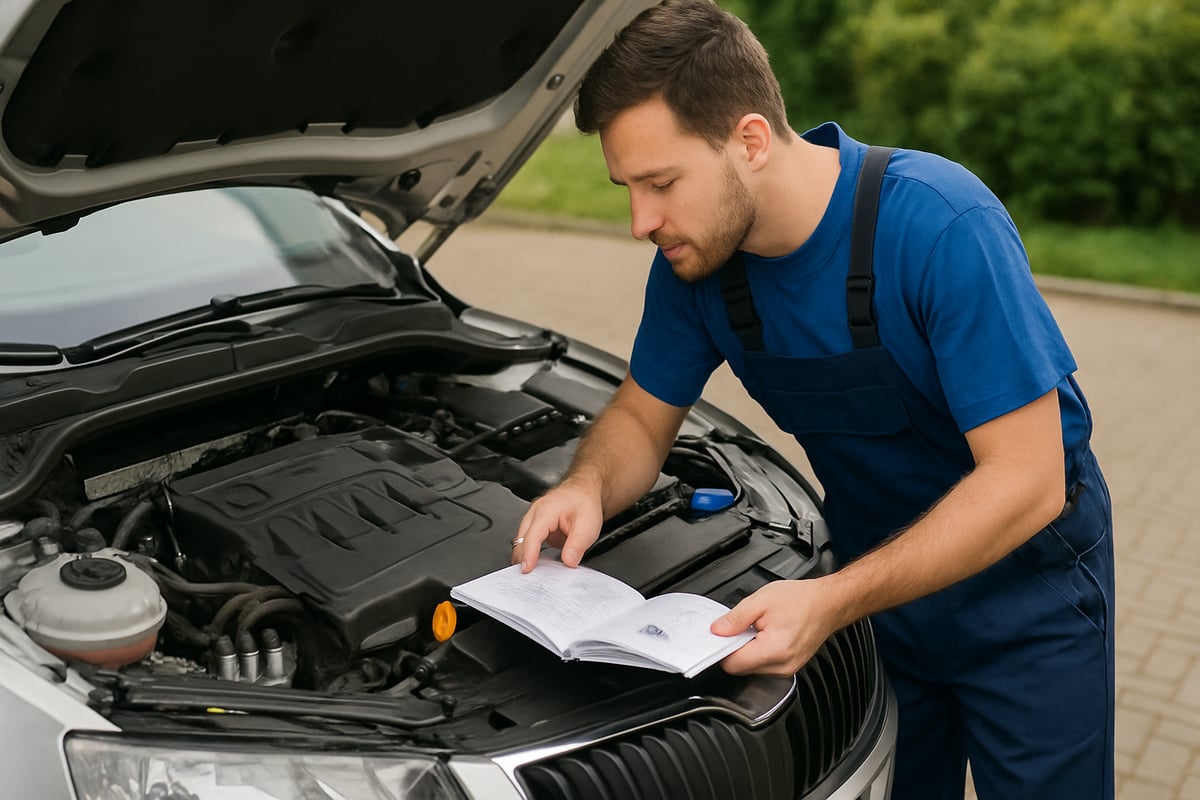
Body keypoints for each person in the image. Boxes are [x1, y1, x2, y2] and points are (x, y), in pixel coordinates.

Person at [509, 1, 1115, 798]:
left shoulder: (938, 226)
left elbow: (1027, 480)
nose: (639, 222)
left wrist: (831, 599)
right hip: (880, 604)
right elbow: (639, 419)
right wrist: (586, 486)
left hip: (1026, 601)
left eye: (661, 183)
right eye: (627, 187)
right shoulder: (696, 269)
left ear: (751, 140)